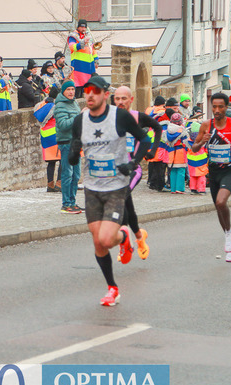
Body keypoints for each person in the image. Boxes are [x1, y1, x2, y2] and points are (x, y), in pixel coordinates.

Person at [68, 76, 153, 306]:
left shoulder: (120, 117)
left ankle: (124, 236)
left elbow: (145, 140)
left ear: (106, 95)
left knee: (106, 239)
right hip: (92, 188)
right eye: (87, 90)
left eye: (96, 91)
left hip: (116, 187)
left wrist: (133, 163)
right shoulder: (80, 121)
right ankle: (112, 288)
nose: (90, 94)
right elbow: (73, 158)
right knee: (98, 242)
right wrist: (73, 152)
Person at [191, 92, 231, 263]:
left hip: (229, 171)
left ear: (226, 107)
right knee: (218, 207)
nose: (217, 110)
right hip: (213, 172)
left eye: (221, 107)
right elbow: (194, 148)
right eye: (214, 107)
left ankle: (229, 236)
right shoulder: (206, 125)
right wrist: (202, 141)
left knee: (220, 202)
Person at [112, 85, 163, 261]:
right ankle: (140, 238)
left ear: (131, 100)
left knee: (121, 197)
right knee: (128, 207)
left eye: (123, 99)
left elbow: (158, 128)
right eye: (117, 99)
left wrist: (153, 151)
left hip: (133, 170)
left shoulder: (138, 117)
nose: (120, 102)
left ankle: (124, 243)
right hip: (115, 171)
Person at [55, 80, 82, 213]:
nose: (71, 92)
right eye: (68, 90)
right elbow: (63, 125)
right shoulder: (60, 105)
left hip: (76, 143)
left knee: (76, 175)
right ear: (63, 91)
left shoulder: (75, 103)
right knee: (68, 174)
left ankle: (72, 201)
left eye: (73, 89)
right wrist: (78, 117)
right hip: (66, 143)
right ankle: (66, 204)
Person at [33, 87, 62, 193]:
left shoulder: (41, 105)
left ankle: (50, 185)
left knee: (51, 161)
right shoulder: (55, 106)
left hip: (45, 135)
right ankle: (59, 183)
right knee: (62, 159)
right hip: (55, 134)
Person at [67, 19, 97, 98]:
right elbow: (72, 47)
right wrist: (83, 42)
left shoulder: (88, 36)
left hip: (89, 66)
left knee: (89, 88)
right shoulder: (73, 36)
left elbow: (93, 48)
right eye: (82, 27)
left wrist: (96, 59)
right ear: (78, 27)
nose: (83, 29)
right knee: (78, 87)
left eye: (85, 27)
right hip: (78, 66)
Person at [145, 96, 169, 191]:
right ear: (163, 104)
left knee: (153, 163)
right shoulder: (163, 112)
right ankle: (159, 185)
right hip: (160, 140)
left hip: (151, 138)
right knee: (160, 165)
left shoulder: (150, 110)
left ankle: (152, 182)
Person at [165, 113, 190, 194]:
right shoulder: (181, 130)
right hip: (180, 151)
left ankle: (173, 188)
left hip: (171, 151)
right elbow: (185, 141)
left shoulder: (168, 129)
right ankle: (179, 188)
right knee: (181, 170)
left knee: (172, 170)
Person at [185, 115, 208, 194]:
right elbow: (206, 149)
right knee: (201, 175)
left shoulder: (189, 140)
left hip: (191, 160)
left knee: (192, 175)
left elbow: (186, 149)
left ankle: (193, 189)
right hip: (201, 161)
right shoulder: (202, 140)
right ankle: (201, 189)